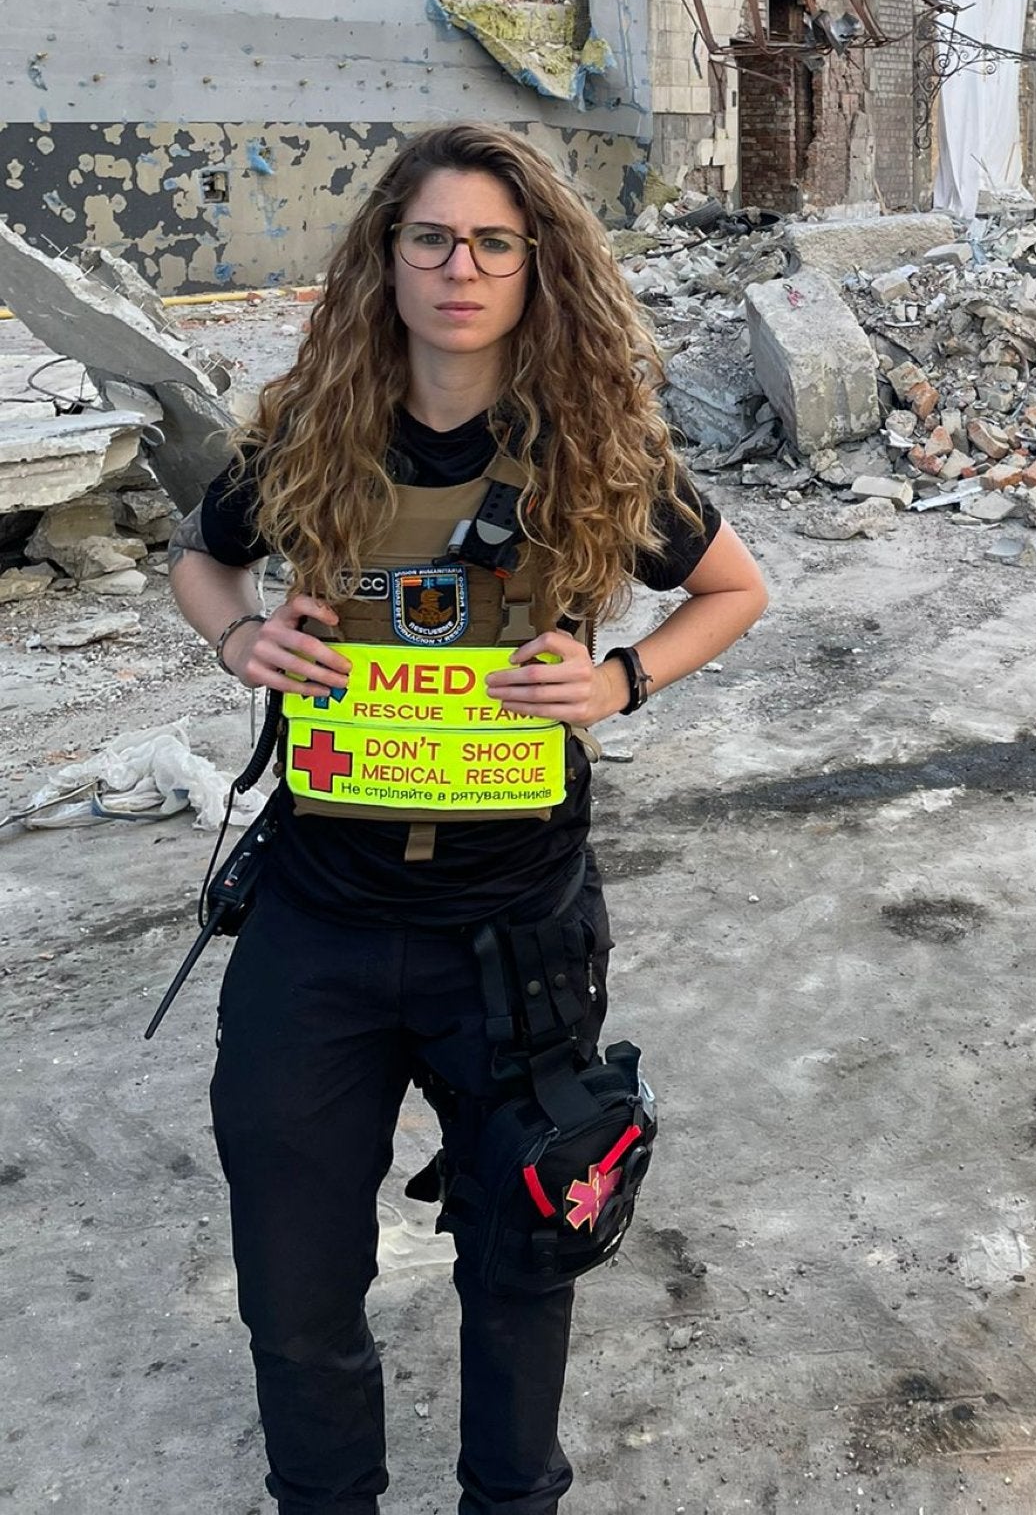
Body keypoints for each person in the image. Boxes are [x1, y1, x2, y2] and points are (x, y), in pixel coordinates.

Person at [168, 124, 768, 1515]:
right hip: (318, 922)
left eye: (494, 243)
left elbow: (734, 589)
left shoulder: (594, 450)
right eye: (430, 238)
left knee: (520, 1265)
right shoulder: (308, 438)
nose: (460, 268)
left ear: (534, 267)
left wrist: (620, 679)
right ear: (386, 259)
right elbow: (206, 566)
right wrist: (239, 642)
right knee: (295, 1284)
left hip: (514, 932)